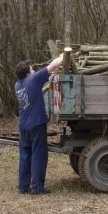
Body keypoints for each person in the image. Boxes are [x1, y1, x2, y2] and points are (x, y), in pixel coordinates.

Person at [14, 54, 64, 195]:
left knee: (25, 156)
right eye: (32, 69)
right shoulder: (34, 79)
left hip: (23, 126)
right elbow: (52, 66)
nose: (34, 71)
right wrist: (62, 56)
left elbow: (34, 93)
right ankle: (37, 188)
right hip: (36, 125)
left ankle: (23, 188)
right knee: (38, 156)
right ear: (28, 73)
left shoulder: (18, 85)